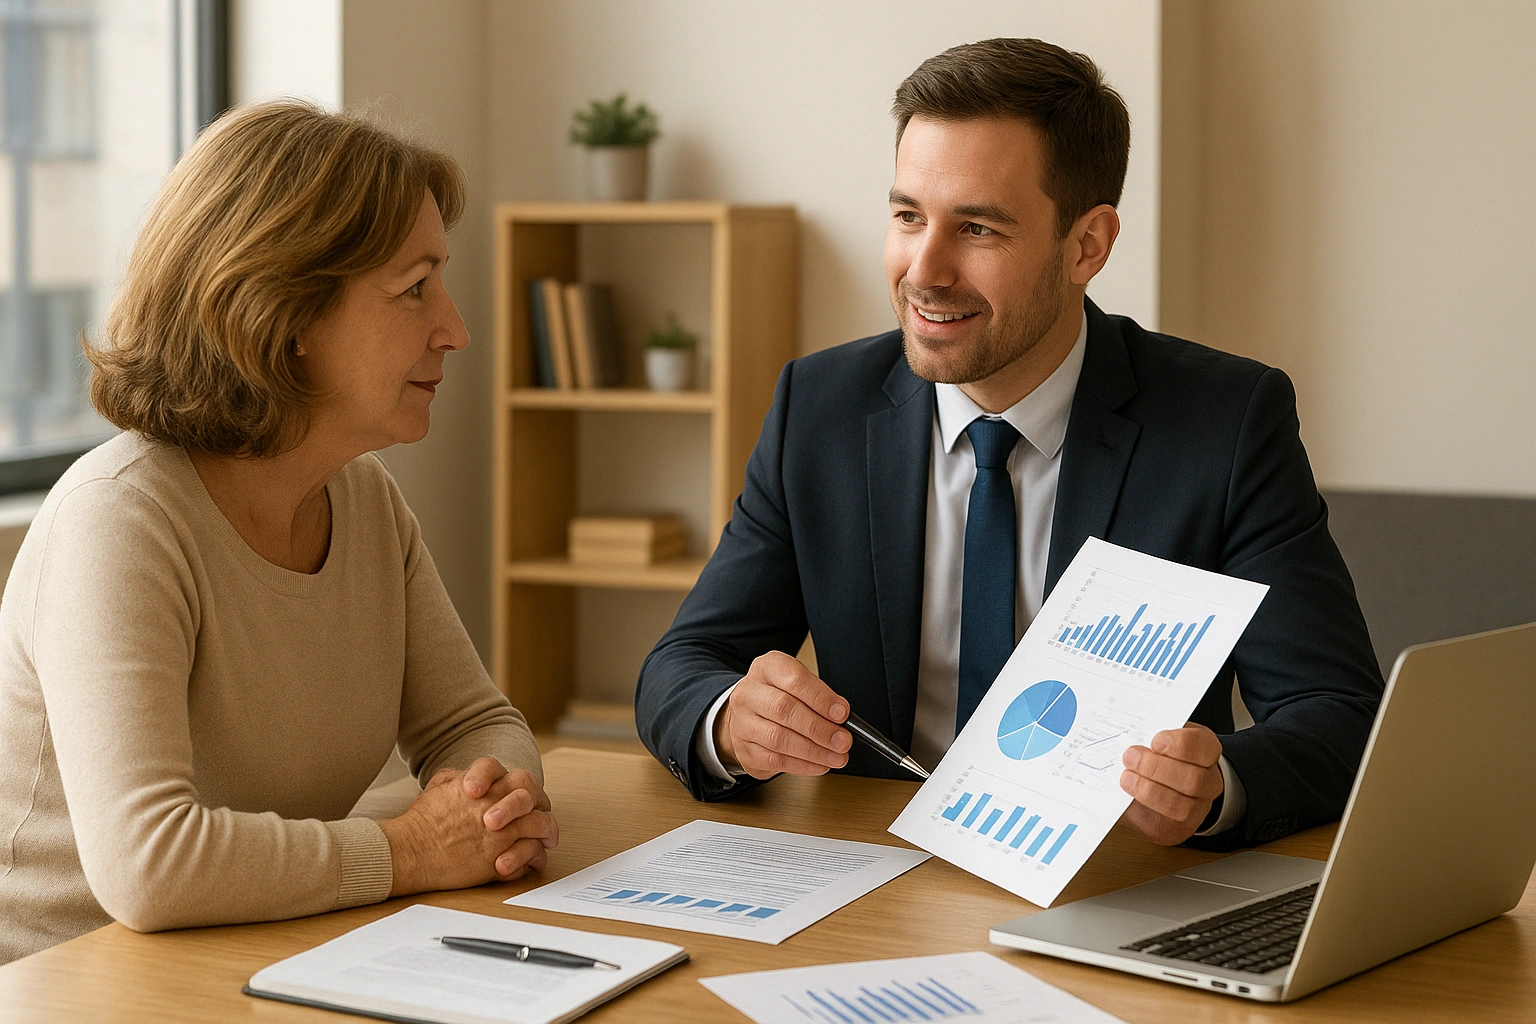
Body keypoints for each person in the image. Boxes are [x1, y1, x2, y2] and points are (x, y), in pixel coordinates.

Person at [636, 38, 1384, 851]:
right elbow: (685, 662)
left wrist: (1217, 787)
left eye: (978, 229)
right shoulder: (817, 408)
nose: (924, 270)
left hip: (1109, 879)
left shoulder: (1227, 422)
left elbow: (1337, 715)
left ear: (1087, 245)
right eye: (907, 216)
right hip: (871, 877)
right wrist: (731, 724)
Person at [0, 102, 557, 963]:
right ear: (283, 312)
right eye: (414, 289)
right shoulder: (119, 522)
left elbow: (472, 720)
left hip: (262, 955)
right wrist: (412, 850)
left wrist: (494, 799)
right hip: (69, 983)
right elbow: (150, 866)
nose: (455, 329)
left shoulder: (363, 500)